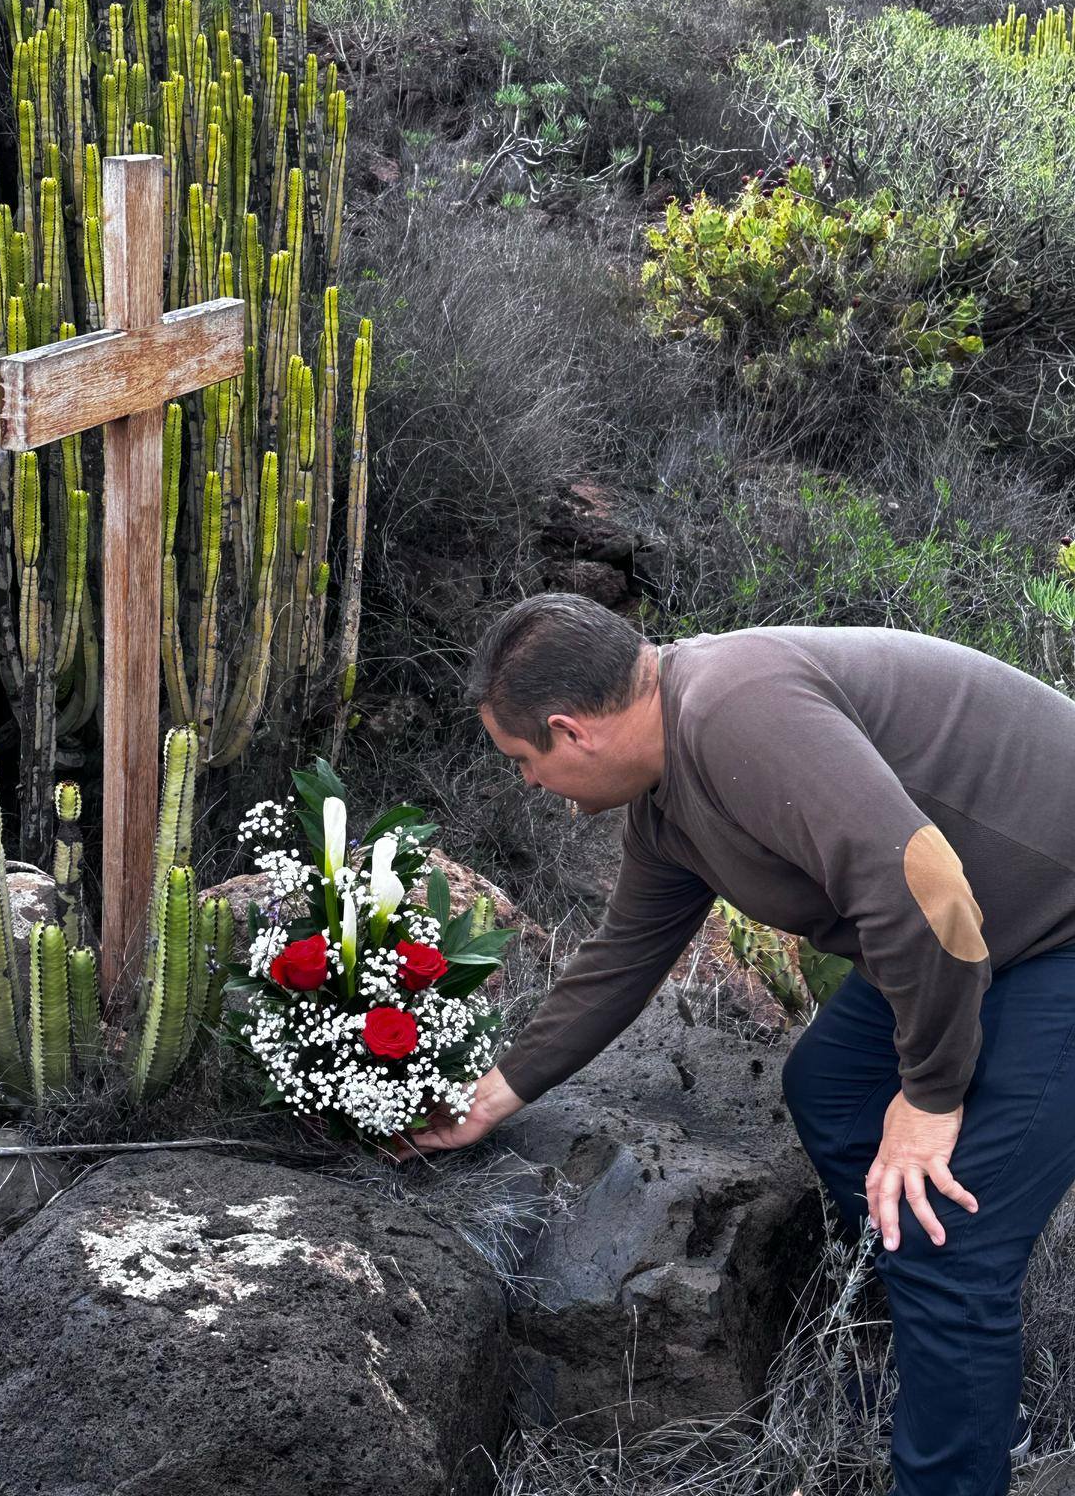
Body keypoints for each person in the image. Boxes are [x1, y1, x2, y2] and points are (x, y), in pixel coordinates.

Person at [389, 592, 1075, 1496]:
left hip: (1052, 930)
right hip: (973, 937)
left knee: (953, 1233)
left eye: (524, 760)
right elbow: (623, 959)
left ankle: (964, 1444)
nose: (528, 784)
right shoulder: (669, 794)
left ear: (571, 731)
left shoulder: (738, 710)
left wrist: (931, 1098)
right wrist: (492, 1095)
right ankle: (951, 1377)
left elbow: (925, 889)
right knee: (831, 1092)